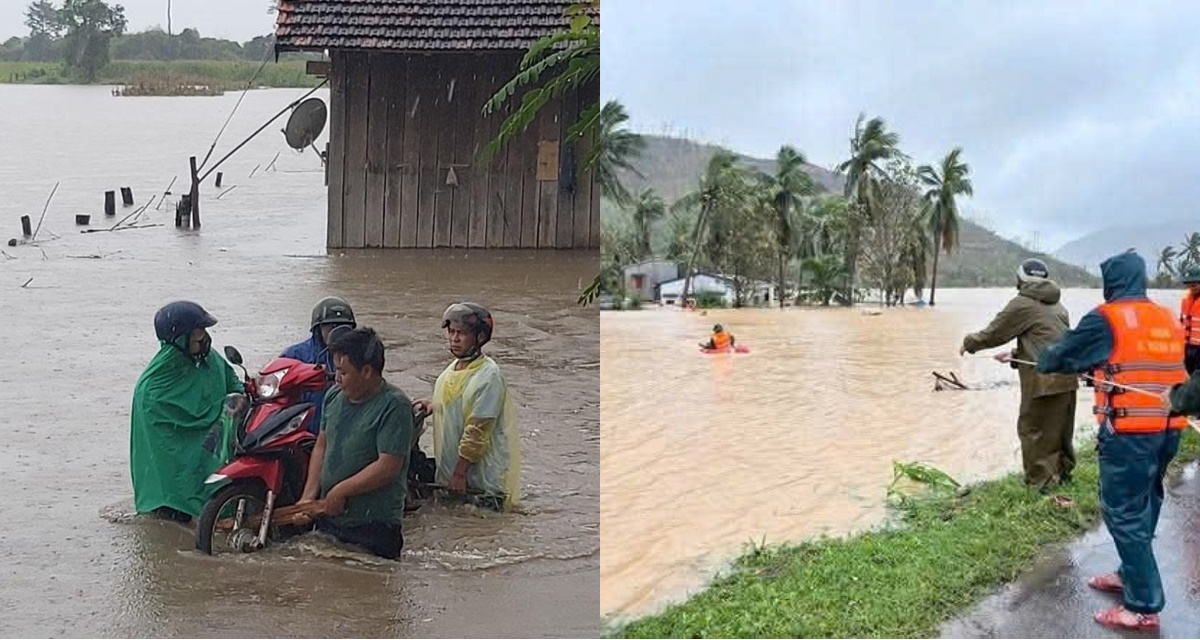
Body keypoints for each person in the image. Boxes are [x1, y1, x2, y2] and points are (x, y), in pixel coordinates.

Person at [1036, 251, 1188, 632]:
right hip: (1170, 429)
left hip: (1131, 433)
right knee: (1148, 499)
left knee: (1123, 512)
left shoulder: (1106, 317)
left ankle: (1142, 606)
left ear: (1113, 281)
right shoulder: (1166, 316)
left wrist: (1042, 361)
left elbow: (1061, 356)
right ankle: (1128, 574)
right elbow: (1141, 361)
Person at [958, 258, 1079, 490]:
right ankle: (1062, 476)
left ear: (1021, 280)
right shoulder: (1058, 305)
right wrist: (1015, 355)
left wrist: (968, 343)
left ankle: (1041, 485)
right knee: (1059, 431)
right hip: (1067, 377)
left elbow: (993, 333)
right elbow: (1049, 341)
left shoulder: (1022, 303)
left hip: (1043, 381)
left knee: (1034, 429)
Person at [298, 327, 414, 559]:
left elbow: (388, 467)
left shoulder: (395, 406)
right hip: (330, 518)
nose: (337, 378)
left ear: (367, 371)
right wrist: (308, 497)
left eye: (343, 372)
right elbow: (322, 446)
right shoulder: (332, 396)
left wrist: (340, 491)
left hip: (373, 527)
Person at [130, 301, 244, 524]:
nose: (203, 337)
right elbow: (172, 433)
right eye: (198, 331)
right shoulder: (154, 385)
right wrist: (220, 409)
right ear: (180, 337)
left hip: (209, 446)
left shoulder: (210, 359)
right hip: (172, 471)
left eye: (204, 330)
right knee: (173, 521)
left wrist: (239, 397)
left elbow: (233, 383)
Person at [413, 303, 520, 511]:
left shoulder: (489, 376)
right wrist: (434, 404)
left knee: (484, 533)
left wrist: (459, 474)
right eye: (451, 332)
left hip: (481, 484)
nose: (454, 338)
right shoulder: (453, 370)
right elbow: (459, 401)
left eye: (461, 333)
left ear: (480, 338)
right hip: (455, 477)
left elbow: (477, 432)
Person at [281, 296, 357, 433]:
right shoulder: (295, 354)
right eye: (332, 327)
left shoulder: (358, 355)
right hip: (304, 427)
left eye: (343, 327)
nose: (337, 332)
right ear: (318, 329)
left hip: (342, 427)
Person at [1178, 268, 1200, 374]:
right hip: (1187, 347)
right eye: (1189, 284)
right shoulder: (1185, 301)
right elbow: (1182, 323)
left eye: (1195, 284)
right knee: (1187, 378)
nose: (1192, 287)